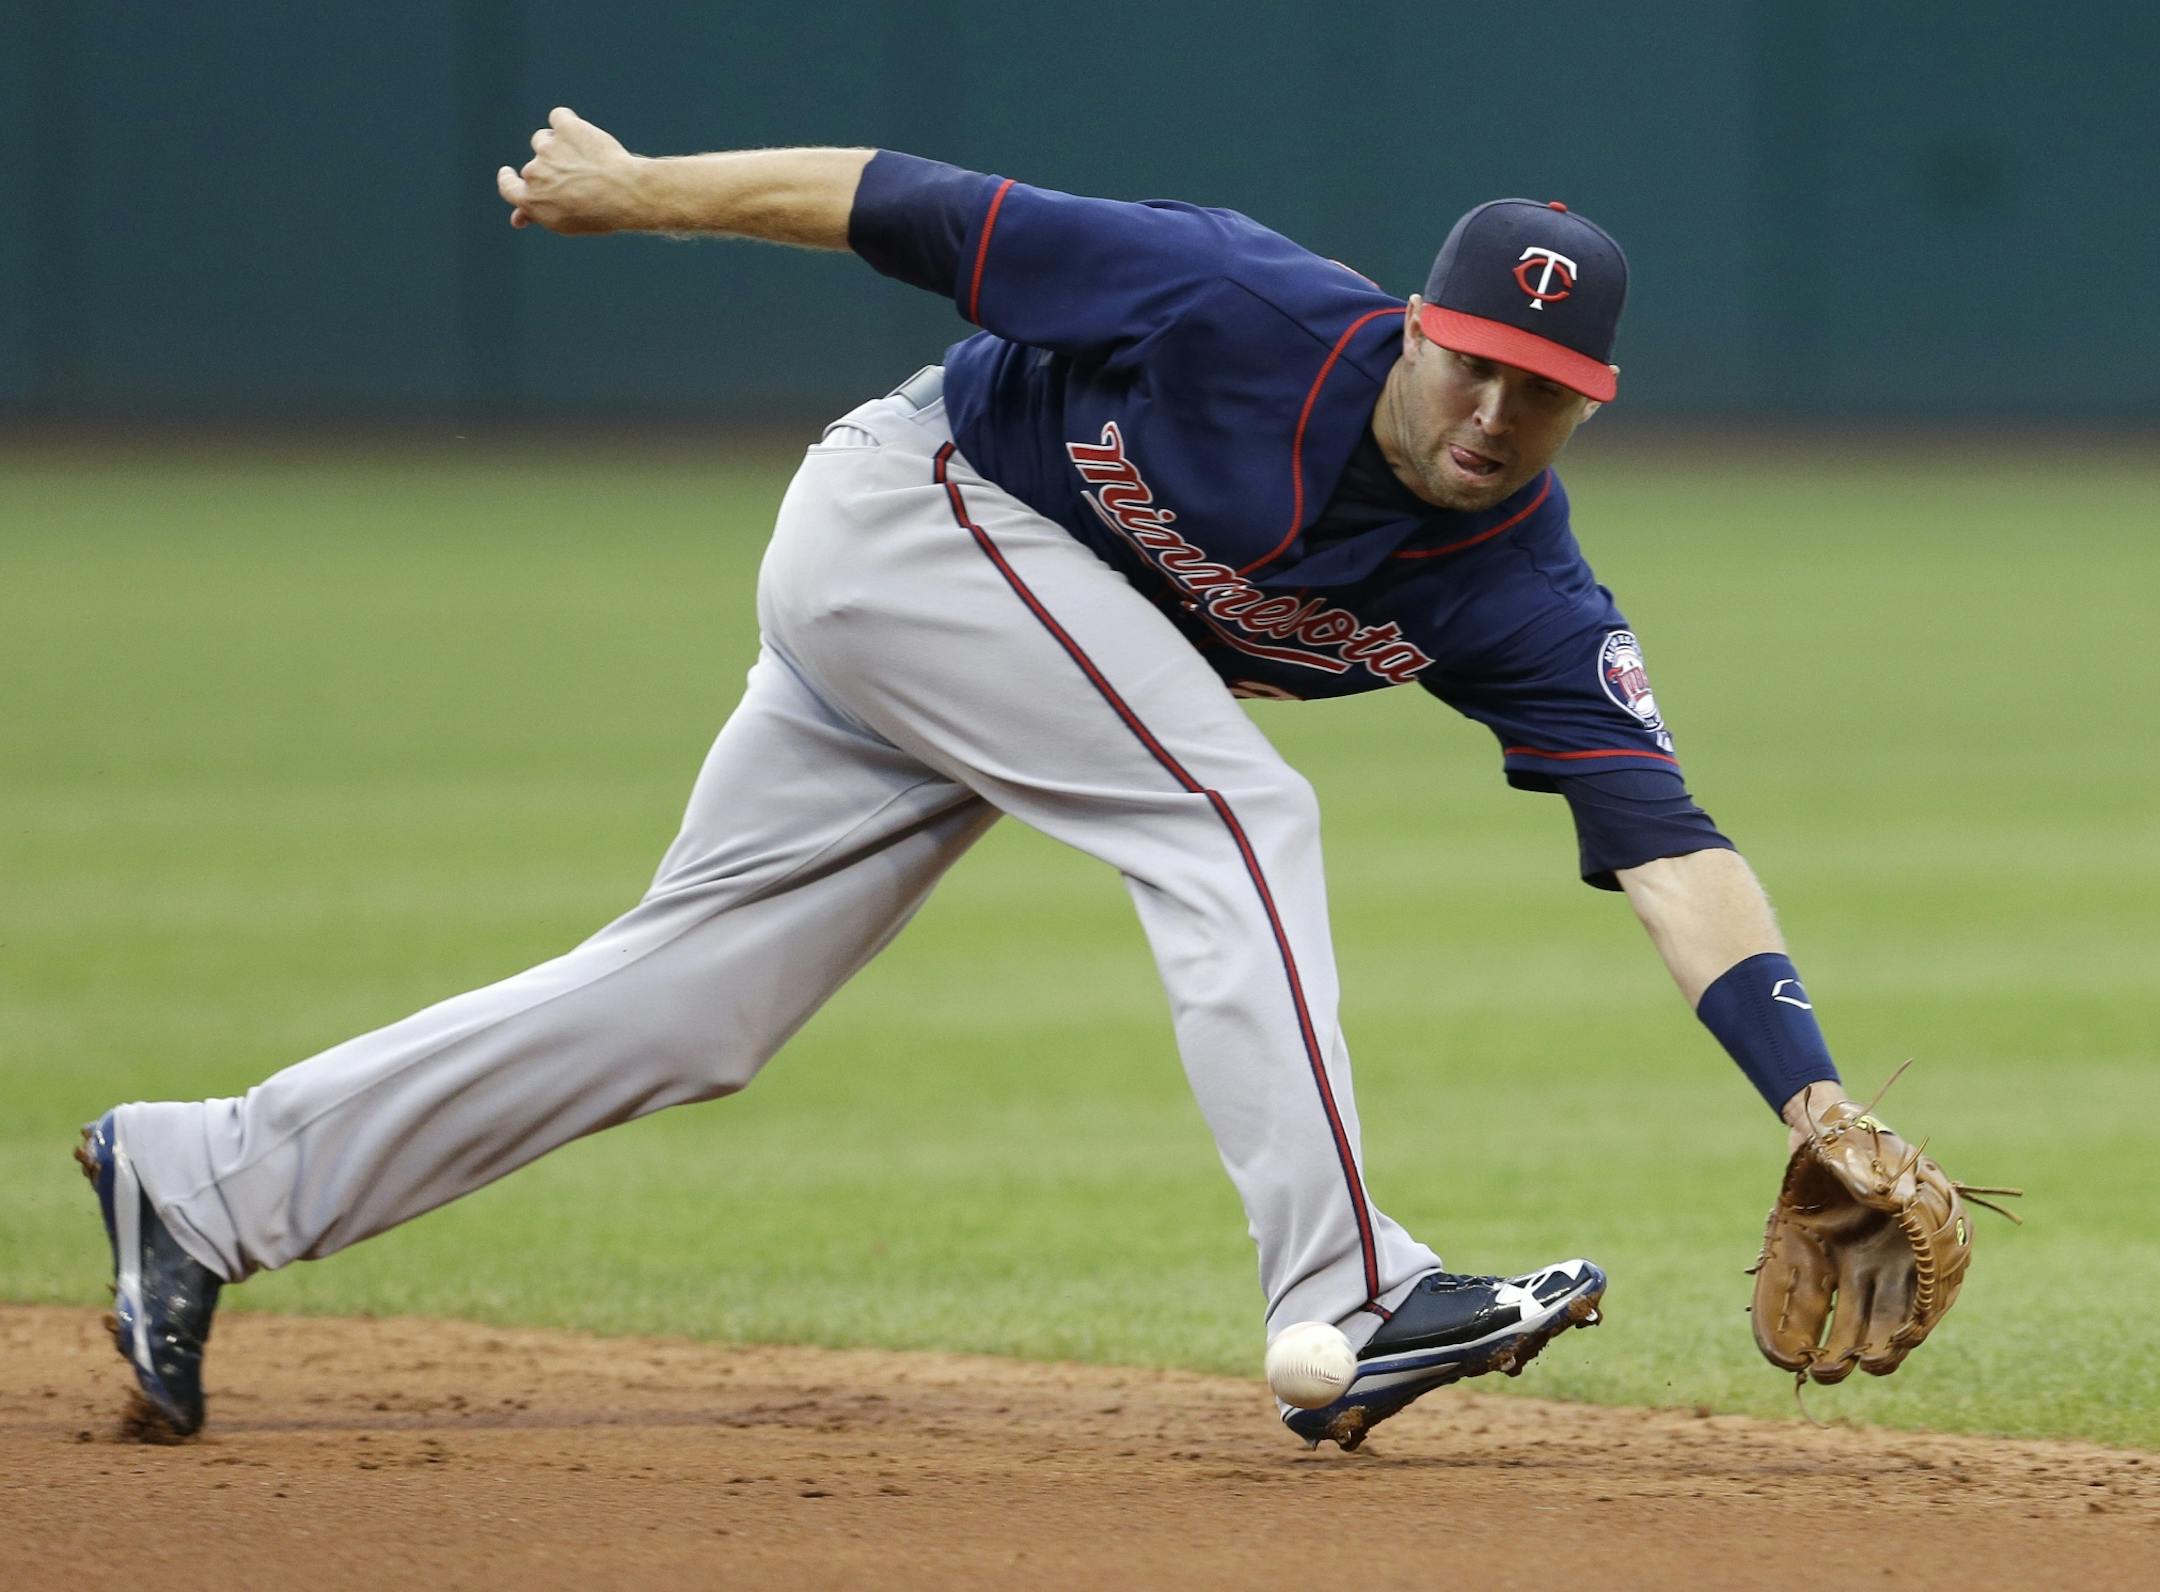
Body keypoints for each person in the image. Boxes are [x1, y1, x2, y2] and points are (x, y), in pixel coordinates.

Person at [78, 109, 1862, 1452]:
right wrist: (633, 191)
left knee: (694, 1005)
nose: (1493, 415)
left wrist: (1814, 1105)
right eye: (1476, 363)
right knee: (1236, 813)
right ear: (1415, 327)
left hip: (990, 632)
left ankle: (206, 1180)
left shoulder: (1528, 591)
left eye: (1542, 394)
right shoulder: (1234, 298)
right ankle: (1356, 1291)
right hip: (917, 514)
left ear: (1589, 408)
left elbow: (1668, 846)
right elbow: (906, 203)